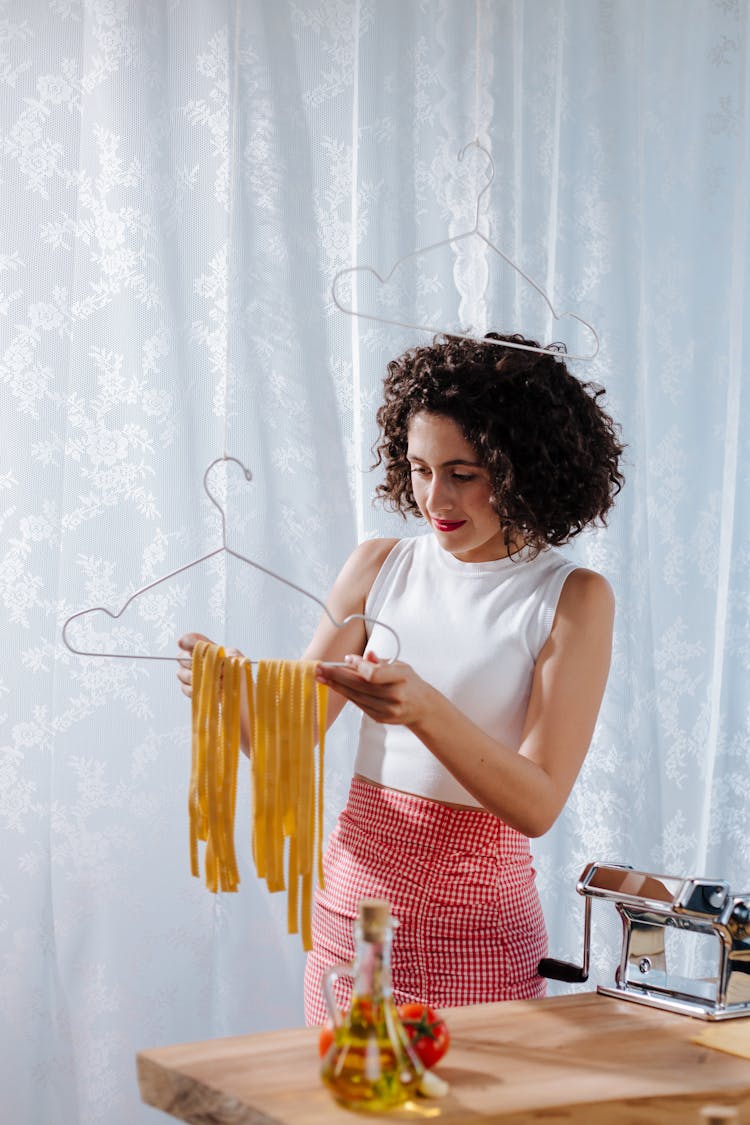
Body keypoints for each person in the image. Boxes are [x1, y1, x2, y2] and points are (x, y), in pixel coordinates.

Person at [177, 331, 625, 1026]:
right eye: (417, 468)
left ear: (524, 468)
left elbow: (537, 804)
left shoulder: (571, 598)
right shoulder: (378, 565)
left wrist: (422, 709)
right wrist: (222, 691)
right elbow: (280, 746)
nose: (433, 497)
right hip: (349, 920)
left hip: (476, 935)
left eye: (463, 472)